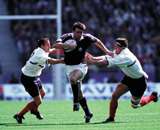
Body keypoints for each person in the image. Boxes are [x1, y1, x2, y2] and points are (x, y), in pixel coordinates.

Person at [85, 37, 158, 123]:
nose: (114, 48)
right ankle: (111, 118)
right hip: (128, 78)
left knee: (135, 105)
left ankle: (151, 97)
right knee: (114, 96)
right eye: (115, 45)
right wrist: (93, 58)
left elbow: (105, 62)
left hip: (139, 82)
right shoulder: (119, 51)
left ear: (122, 47)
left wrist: (92, 60)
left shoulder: (125, 57)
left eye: (116, 46)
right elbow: (107, 56)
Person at [53, 22, 113, 123]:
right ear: (73, 31)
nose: (79, 34)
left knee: (73, 79)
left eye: (81, 32)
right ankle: (88, 113)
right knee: (79, 92)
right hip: (69, 67)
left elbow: (97, 41)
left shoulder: (86, 38)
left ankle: (75, 102)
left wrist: (106, 51)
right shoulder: (66, 37)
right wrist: (67, 45)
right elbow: (55, 45)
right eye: (77, 32)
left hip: (81, 66)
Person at [13, 38, 64, 124]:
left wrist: (60, 47)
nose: (49, 46)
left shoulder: (41, 50)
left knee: (43, 93)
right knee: (38, 101)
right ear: (42, 46)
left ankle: (34, 109)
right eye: (48, 44)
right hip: (28, 79)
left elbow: (50, 50)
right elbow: (52, 61)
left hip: (34, 76)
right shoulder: (40, 55)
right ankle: (19, 115)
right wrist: (64, 60)